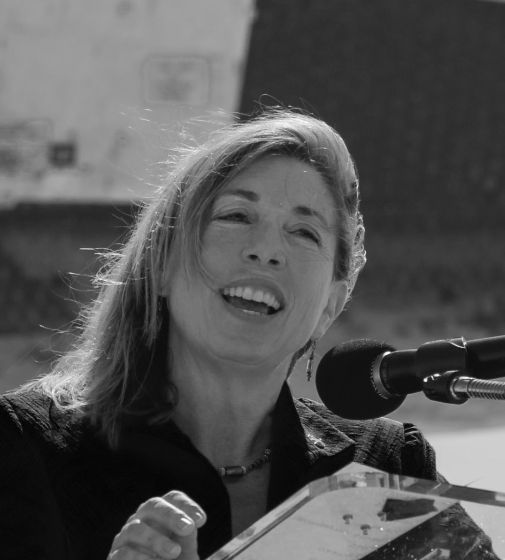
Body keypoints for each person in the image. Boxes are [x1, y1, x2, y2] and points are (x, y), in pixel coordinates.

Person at [0, 109, 496, 560]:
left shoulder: (385, 468)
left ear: (331, 302)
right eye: (236, 216)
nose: (266, 250)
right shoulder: (29, 449)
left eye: (304, 232)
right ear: (162, 264)